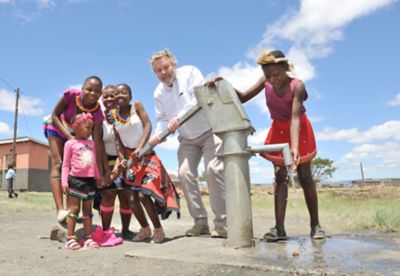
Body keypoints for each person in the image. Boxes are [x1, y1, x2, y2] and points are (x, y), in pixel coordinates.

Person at [210, 49, 325, 241]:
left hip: (298, 130)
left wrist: (294, 148)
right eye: (268, 76)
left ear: (285, 68)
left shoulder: (297, 86)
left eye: (276, 75)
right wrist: (223, 84)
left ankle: (315, 226)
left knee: (305, 177)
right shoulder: (266, 83)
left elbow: (295, 117)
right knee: (280, 178)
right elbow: (243, 97)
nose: (272, 79)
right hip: (279, 129)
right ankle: (279, 228)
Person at [149, 50, 226, 238]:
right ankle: (200, 222)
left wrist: (178, 117)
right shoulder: (158, 92)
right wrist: (159, 134)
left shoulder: (190, 72)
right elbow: (161, 119)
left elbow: (198, 99)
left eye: (166, 67)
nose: (164, 72)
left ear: (174, 63)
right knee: (184, 174)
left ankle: (222, 224)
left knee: (213, 171)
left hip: (210, 131)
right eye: (158, 70)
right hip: (187, 139)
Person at [112, 83, 180, 244]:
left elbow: (148, 126)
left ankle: (158, 229)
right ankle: (145, 229)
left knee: (144, 194)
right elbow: (117, 140)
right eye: (117, 93)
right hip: (130, 160)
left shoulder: (137, 106)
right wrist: (122, 159)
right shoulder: (113, 115)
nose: (120, 95)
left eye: (124, 93)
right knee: (132, 199)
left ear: (130, 95)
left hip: (146, 155)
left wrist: (140, 147)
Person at [43, 76, 105, 224]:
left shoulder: (98, 113)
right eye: (89, 89)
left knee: (75, 168)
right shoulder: (71, 95)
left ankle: (73, 209)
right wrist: (69, 137)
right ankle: (60, 209)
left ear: (101, 94)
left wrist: (99, 171)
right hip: (58, 127)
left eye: (97, 91)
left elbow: (96, 142)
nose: (92, 93)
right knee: (58, 164)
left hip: (78, 135)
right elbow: (55, 115)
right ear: (82, 88)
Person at [97, 84, 133, 240]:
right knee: (109, 194)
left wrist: (119, 165)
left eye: (113, 95)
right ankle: (105, 231)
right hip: (105, 160)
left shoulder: (124, 115)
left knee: (125, 196)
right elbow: (98, 145)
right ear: (101, 99)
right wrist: (107, 171)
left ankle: (126, 230)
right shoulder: (98, 118)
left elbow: (123, 143)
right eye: (106, 96)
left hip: (124, 158)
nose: (110, 99)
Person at [61, 113, 101, 250]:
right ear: (76, 127)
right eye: (87, 127)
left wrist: (97, 178)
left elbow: (94, 162)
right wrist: (64, 182)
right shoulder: (70, 144)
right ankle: (70, 238)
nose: (90, 131)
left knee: (88, 210)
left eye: (91, 128)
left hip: (89, 181)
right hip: (75, 180)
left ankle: (88, 237)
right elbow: (65, 165)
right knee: (75, 209)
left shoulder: (91, 143)